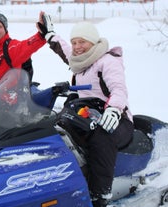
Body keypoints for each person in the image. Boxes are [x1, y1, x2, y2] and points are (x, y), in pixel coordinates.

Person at [37, 13, 134, 207]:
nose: (77, 46)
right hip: (89, 114)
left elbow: (118, 89)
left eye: (82, 42)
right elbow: (65, 51)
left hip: (117, 119)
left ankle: (99, 195)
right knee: (59, 130)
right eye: (74, 42)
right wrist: (51, 35)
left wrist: (114, 109)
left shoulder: (107, 61)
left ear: (93, 42)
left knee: (101, 137)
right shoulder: (79, 62)